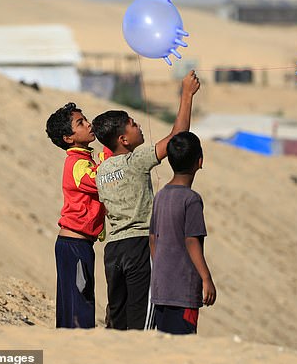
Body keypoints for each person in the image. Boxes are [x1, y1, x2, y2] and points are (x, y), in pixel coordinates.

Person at [92, 70, 200, 330]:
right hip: (139, 245)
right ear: (123, 139)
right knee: (141, 316)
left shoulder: (101, 170)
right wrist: (186, 95)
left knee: (117, 313)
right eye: (132, 123)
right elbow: (176, 138)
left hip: (113, 251)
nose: (138, 125)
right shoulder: (135, 161)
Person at [46, 102, 106, 328]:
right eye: (80, 123)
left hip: (78, 244)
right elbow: (100, 180)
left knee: (76, 302)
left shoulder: (85, 159)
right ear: (68, 138)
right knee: (79, 305)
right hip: (74, 244)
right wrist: (110, 153)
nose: (89, 124)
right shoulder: (77, 163)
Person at [149, 131, 216, 334]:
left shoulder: (160, 196)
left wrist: (161, 266)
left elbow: (152, 238)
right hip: (183, 290)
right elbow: (191, 241)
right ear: (200, 161)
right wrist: (206, 278)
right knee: (182, 340)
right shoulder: (191, 199)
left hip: (161, 288)